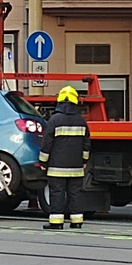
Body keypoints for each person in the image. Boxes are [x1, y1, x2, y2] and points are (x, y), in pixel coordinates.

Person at [38, 86, 90, 230]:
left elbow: (47, 143)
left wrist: (43, 161)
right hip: (76, 167)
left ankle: (56, 222)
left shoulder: (54, 120)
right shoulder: (81, 121)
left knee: (57, 193)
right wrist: (84, 161)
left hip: (56, 167)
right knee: (75, 193)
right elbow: (87, 144)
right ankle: (77, 221)